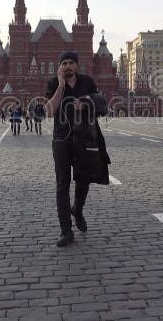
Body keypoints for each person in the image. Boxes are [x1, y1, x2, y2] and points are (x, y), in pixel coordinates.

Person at [45, 51, 108, 247]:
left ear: (77, 65)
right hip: (62, 140)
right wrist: (61, 86)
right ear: (60, 67)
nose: (68, 66)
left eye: (71, 62)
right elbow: (48, 111)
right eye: (64, 63)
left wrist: (86, 103)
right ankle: (66, 231)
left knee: (84, 179)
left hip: (85, 138)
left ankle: (78, 210)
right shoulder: (53, 83)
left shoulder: (87, 82)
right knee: (62, 185)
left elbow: (102, 106)